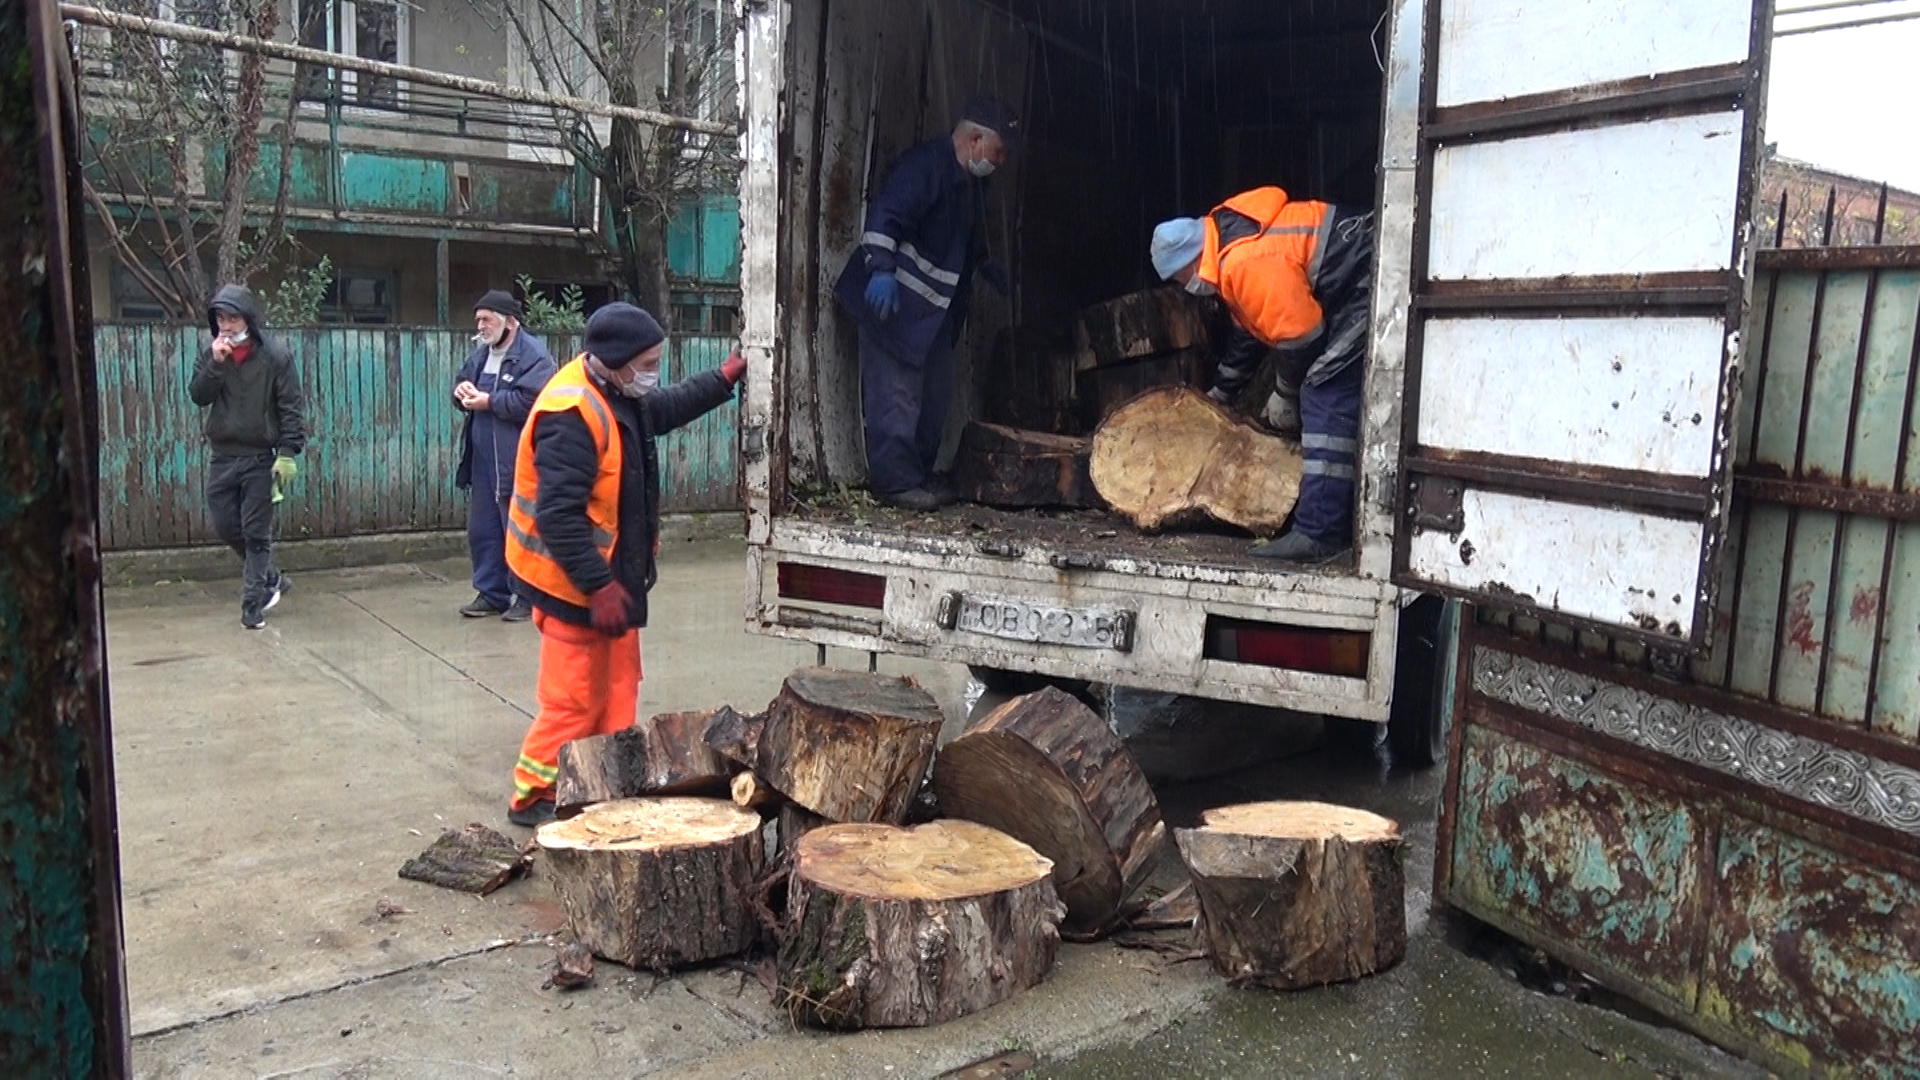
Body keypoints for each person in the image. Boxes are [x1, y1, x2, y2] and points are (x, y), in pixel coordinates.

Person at [502, 302, 746, 827]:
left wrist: (723, 377)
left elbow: (662, 407)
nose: (654, 372)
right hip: (573, 587)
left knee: (617, 693)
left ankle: (603, 779)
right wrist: (598, 586)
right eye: (649, 362)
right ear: (616, 360)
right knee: (572, 702)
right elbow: (558, 518)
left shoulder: (618, 392)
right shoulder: (570, 413)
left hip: (614, 582)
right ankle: (535, 793)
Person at [1151, 187, 1374, 563]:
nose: (1184, 287)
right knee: (1318, 386)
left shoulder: (1244, 261)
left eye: (1178, 279)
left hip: (1367, 281)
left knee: (1323, 392)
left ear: (1189, 261)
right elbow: (1248, 333)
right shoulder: (1228, 248)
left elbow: (1302, 336)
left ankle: (1320, 533)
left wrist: (1286, 392)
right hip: (1348, 282)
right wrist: (1221, 394)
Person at [833, 95, 1018, 510]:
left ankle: (917, 475)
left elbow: (967, 237)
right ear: (974, 139)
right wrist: (881, 270)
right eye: (999, 150)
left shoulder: (970, 186)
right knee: (896, 398)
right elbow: (885, 218)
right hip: (890, 305)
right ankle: (895, 484)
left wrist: (985, 263)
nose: (1001, 161)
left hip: (930, 316)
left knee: (935, 395)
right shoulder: (924, 169)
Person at [188, 285, 308, 629]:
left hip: (259, 458)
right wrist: (215, 363)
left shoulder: (275, 356)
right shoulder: (211, 354)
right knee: (227, 526)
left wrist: (287, 453)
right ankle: (271, 577)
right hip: (223, 456)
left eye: (233, 317)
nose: (226, 326)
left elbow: (290, 406)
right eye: (220, 318)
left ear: (248, 320)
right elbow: (198, 395)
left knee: (256, 533)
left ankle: (252, 605)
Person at [454, 290, 557, 621]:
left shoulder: (534, 357)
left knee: (523, 529)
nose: (481, 326)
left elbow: (535, 401)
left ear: (510, 322)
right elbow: (462, 382)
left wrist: (490, 402)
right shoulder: (482, 355)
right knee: (483, 530)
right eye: (478, 320)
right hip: (483, 461)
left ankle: (529, 596)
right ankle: (492, 593)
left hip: (519, 460)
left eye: (487, 319)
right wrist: (461, 393)